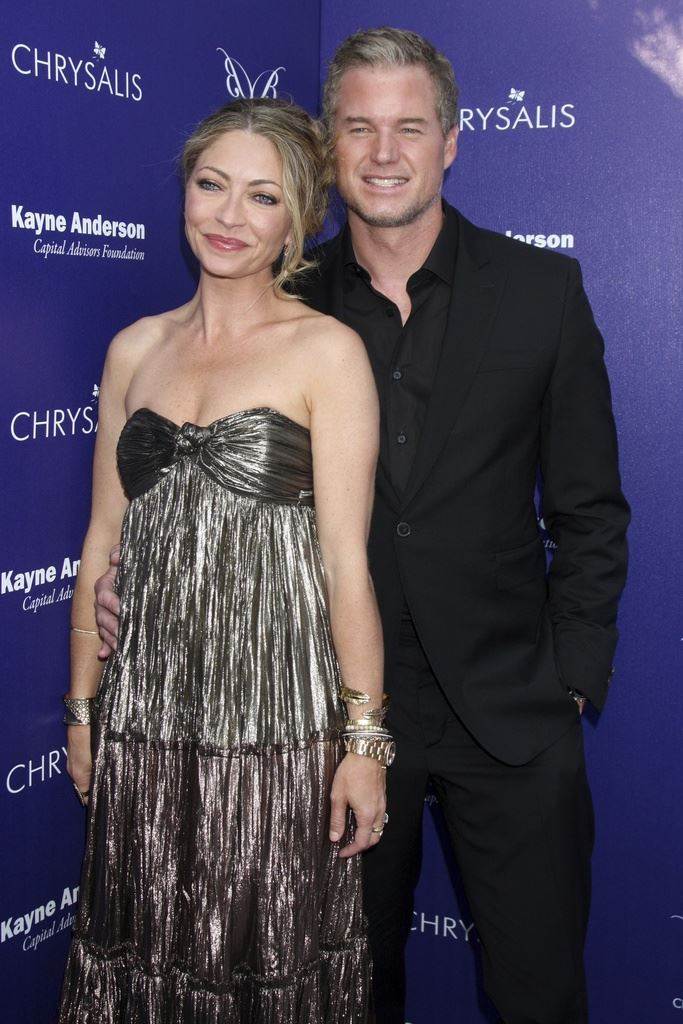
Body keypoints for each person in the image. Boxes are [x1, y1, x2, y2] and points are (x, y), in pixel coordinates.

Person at [95, 28, 631, 1024]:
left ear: (450, 143)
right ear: (328, 148)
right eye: (358, 128)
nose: (383, 153)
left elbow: (588, 509)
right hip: (324, 714)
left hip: (508, 708)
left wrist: (567, 680)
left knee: (539, 992)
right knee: (346, 991)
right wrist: (139, 586)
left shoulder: (538, 292)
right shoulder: (280, 296)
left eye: (408, 128)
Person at [59, 97, 393, 1023]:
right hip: (149, 711)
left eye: (262, 196)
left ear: (299, 222)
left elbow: (346, 565)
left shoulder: (326, 352)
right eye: (211, 185)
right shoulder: (135, 349)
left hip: (275, 721)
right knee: (144, 944)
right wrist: (84, 708)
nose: (228, 216)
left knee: (262, 950)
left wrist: (365, 744)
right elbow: (101, 541)